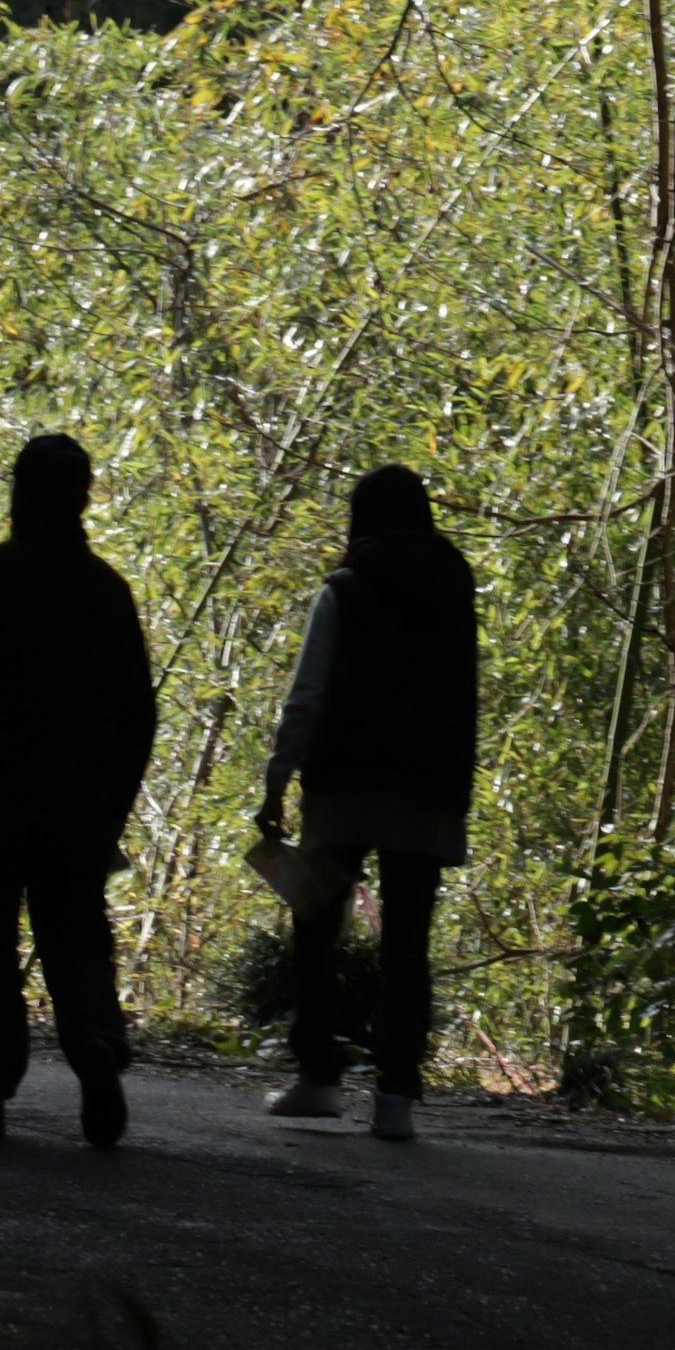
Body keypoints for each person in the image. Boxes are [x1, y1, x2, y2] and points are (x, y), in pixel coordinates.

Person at [0, 433, 155, 1145]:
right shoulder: (105, 592)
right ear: (83, 497)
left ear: (18, 491)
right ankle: (93, 1039)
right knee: (76, 926)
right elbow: (139, 711)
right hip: (78, 799)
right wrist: (114, 801)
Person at [254, 464, 478, 1141]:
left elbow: (308, 696)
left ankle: (319, 1077)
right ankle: (396, 1098)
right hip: (428, 788)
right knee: (408, 943)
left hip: (345, 783)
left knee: (318, 928)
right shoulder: (455, 587)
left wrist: (275, 781)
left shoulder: (346, 590)